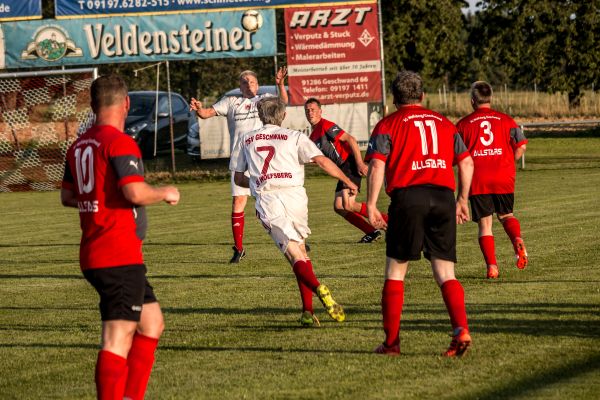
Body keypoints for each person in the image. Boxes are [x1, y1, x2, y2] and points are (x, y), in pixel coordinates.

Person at [61, 75, 180, 399]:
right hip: (117, 253)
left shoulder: (78, 145)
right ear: (126, 103)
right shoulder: (119, 142)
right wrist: (164, 192)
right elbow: (134, 192)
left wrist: (99, 198)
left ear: (92, 105)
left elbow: (68, 196)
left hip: (98, 251)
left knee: (152, 323)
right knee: (117, 337)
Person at [365, 71, 475, 357]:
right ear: (422, 96)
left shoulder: (387, 124)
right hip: (443, 197)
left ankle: (391, 344)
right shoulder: (444, 123)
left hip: (408, 198)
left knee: (396, 271)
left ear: (394, 98)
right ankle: (460, 328)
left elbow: (377, 165)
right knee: (445, 272)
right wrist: (462, 199)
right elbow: (466, 163)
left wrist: (371, 204)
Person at [230, 97, 357, 326]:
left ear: (260, 116)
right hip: (296, 196)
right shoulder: (295, 136)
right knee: (301, 253)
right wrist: (347, 180)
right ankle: (307, 312)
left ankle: (319, 288)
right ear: (284, 115)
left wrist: (256, 182)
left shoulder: (246, 139)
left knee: (293, 256)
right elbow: (322, 161)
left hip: (269, 199)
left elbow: (239, 178)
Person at [190, 67, 288, 263]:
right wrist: (199, 109)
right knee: (238, 203)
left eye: (252, 82)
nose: (249, 85)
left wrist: (280, 84)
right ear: (240, 86)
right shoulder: (231, 102)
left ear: (257, 85)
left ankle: (290, 239)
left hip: (260, 160)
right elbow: (206, 113)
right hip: (240, 160)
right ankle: (239, 249)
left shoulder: (265, 99)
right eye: (245, 82)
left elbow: (283, 102)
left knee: (274, 200)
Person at [456, 81, 528, 279]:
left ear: (473, 100)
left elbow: (456, 155)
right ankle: (517, 239)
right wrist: (509, 162)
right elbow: (521, 146)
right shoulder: (507, 120)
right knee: (506, 215)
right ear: (490, 98)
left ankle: (492, 267)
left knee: (485, 225)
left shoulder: (463, 124)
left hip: (478, 178)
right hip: (503, 176)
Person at [304, 98, 387, 243]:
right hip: (342, 169)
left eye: (313, 110)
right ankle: (371, 232)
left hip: (349, 163)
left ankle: (391, 222)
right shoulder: (312, 136)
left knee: (348, 204)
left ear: (320, 111)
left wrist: (359, 163)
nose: (310, 113)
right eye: (307, 110)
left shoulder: (325, 125)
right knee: (339, 206)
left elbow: (351, 139)